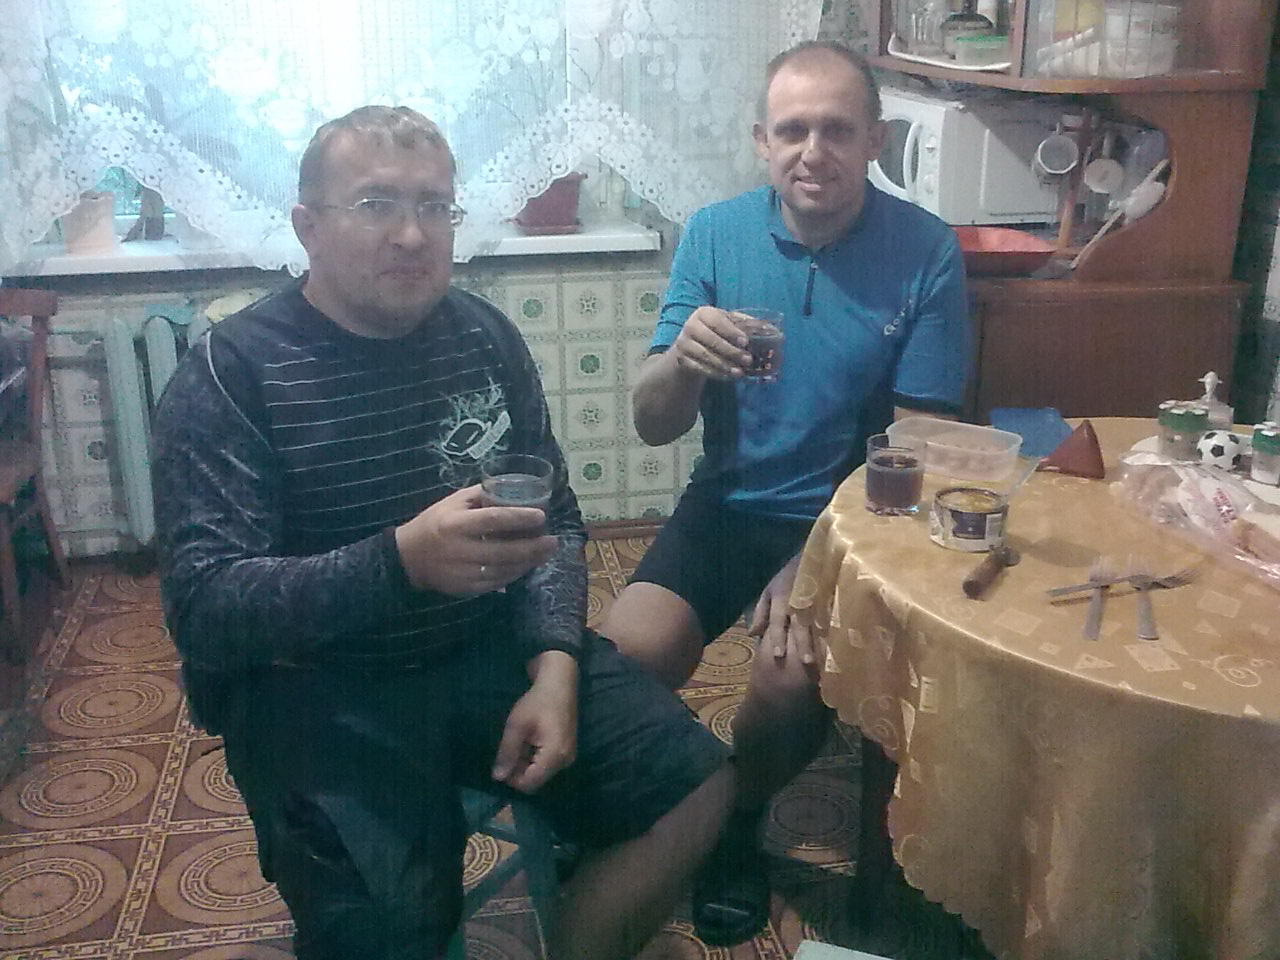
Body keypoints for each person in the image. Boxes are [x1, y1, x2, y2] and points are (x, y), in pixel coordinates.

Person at [151, 105, 735, 960]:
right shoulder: (231, 372)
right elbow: (206, 609)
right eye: (376, 204)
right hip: (318, 690)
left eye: (435, 206)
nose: (412, 234)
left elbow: (553, 522)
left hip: (486, 652)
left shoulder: (483, 337)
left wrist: (555, 669)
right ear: (307, 227)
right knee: (393, 932)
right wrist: (399, 563)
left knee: (698, 788)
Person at [599, 40, 971, 944]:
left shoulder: (925, 249)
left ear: (874, 140)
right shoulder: (716, 232)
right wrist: (681, 360)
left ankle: (734, 820)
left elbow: (918, 444)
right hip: (726, 502)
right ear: (761, 141)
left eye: (837, 130)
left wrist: (819, 556)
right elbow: (652, 423)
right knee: (620, 658)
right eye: (793, 130)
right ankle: (657, 805)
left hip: (852, 519)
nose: (814, 151)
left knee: (784, 676)